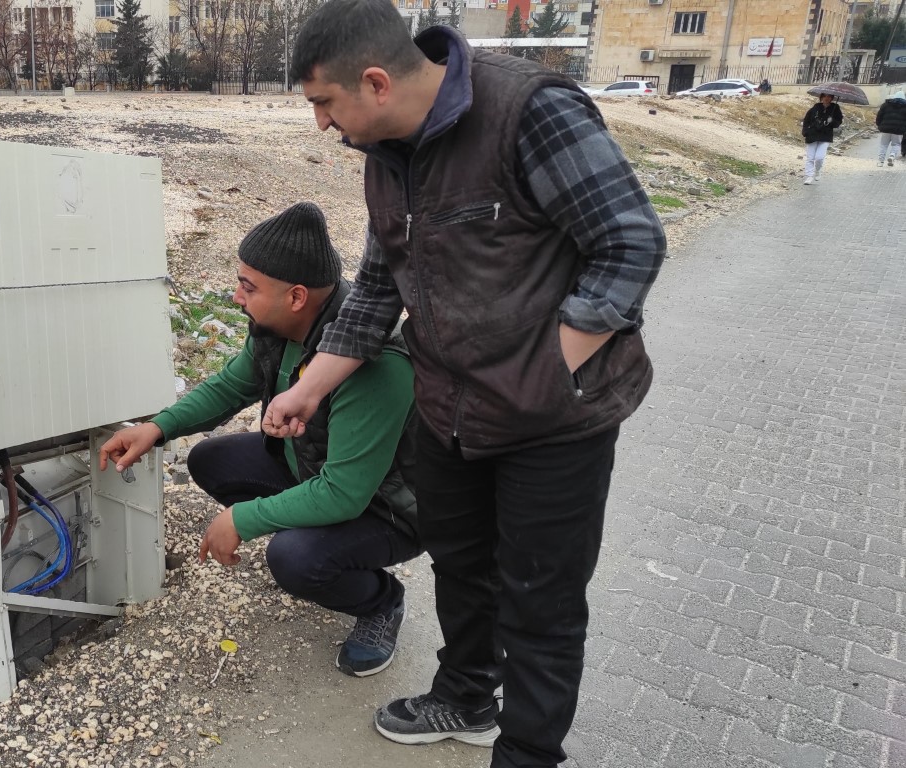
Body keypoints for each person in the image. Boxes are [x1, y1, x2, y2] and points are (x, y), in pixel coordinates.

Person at [264, 2, 665, 765]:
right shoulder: (386, 155)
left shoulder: (528, 112)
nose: (319, 123)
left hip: (554, 421)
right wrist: (308, 387)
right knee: (461, 567)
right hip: (447, 413)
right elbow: (380, 288)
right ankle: (465, 696)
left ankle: (526, 754)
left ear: (375, 82)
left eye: (322, 102)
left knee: (540, 603)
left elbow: (631, 244)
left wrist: (549, 367)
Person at [98, 202, 422, 678]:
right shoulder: (276, 328)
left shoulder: (372, 365)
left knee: (293, 558)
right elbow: (230, 386)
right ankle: (313, 548)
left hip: (388, 508)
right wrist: (157, 427)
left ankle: (380, 603)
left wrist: (244, 518)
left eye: (248, 287)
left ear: (295, 297)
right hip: (317, 470)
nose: (235, 297)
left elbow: (345, 493)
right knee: (210, 461)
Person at [802, 92, 844, 185]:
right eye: (824, 96)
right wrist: (805, 132)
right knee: (810, 157)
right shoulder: (815, 108)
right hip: (812, 135)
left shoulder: (835, 108)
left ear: (832, 98)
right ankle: (809, 175)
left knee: (819, 158)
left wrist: (832, 120)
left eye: (829, 96)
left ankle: (817, 170)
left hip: (825, 136)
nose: (826, 98)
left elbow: (838, 122)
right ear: (821, 97)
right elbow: (806, 120)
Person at [874, 90, 906, 167]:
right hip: (899, 130)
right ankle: (892, 156)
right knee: (896, 144)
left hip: (885, 129)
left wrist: (879, 125)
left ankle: (880, 162)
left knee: (883, 145)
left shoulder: (885, 105)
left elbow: (879, 116)